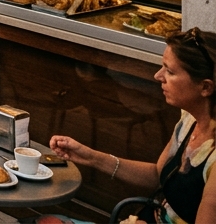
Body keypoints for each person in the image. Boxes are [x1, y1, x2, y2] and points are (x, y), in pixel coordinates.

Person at [49, 27, 216, 224]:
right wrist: (90, 156)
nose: (158, 76)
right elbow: (156, 174)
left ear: (205, 87)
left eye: (170, 71)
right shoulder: (189, 121)